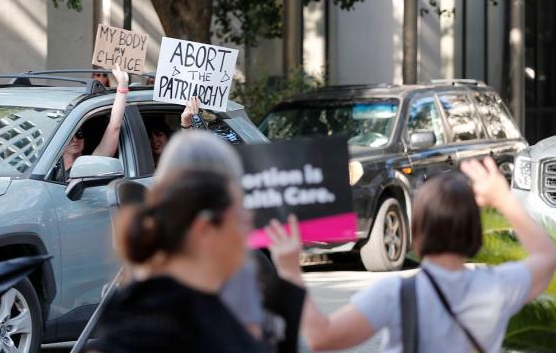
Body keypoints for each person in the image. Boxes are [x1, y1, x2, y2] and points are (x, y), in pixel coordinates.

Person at [266, 157, 556, 353]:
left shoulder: (394, 293)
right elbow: (547, 254)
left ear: (417, 229)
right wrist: (503, 198)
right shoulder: (498, 286)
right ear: (475, 232)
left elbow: (321, 337)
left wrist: (290, 270)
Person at [154, 131, 304, 352]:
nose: (248, 218)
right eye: (239, 209)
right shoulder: (238, 275)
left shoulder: (136, 287)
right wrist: (290, 273)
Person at [89, 168, 265, 353]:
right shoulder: (171, 322)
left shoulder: (146, 308)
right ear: (204, 230)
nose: (248, 235)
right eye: (241, 222)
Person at [62, 66, 129, 177]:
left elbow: (114, 126)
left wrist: (122, 87)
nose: (75, 139)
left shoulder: (90, 165)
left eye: (79, 134)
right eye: (70, 135)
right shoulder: (47, 169)